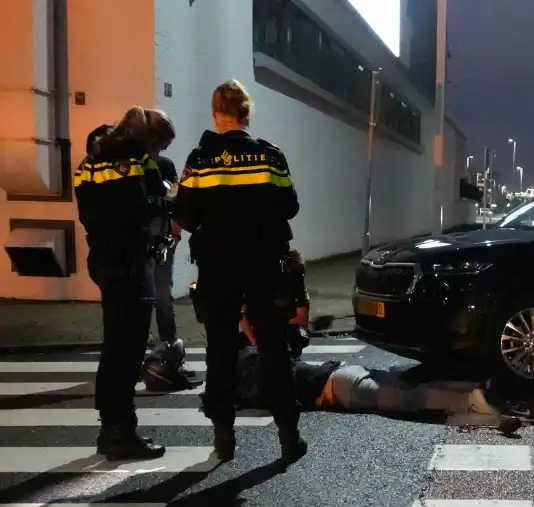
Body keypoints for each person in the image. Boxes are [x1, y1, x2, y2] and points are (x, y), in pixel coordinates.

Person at [174, 79, 305, 464]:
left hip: (216, 268)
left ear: (216, 115)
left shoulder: (199, 160)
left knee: (220, 349)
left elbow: (183, 215)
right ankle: (287, 436)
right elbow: (290, 206)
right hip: (263, 265)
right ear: (247, 114)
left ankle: (224, 438)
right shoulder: (270, 156)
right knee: (272, 347)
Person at [74, 107, 176, 460]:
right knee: (126, 351)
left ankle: (112, 428)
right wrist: (165, 199)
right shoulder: (130, 160)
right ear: (148, 138)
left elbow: (92, 210)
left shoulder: (92, 159)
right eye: (159, 146)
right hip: (129, 264)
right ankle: (120, 432)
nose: (158, 155)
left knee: (114, 347)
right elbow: (139, 209)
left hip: (102, 258)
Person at [234, 347, 504, 423]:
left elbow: (272, 399)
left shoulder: (269, 382)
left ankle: (468, 399)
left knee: (403, 399)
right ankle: (475, 385)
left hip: (340, 387)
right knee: (403, 384)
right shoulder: (281, 364)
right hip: (344, 373)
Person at [146, 155, 194, 377]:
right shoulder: (127, 163)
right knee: (141, 300)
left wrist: (175, 232)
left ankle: (172, 351)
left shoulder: (163, 164)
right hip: (138, 241)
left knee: (163, 296)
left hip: (161, 240)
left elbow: (176, 199)